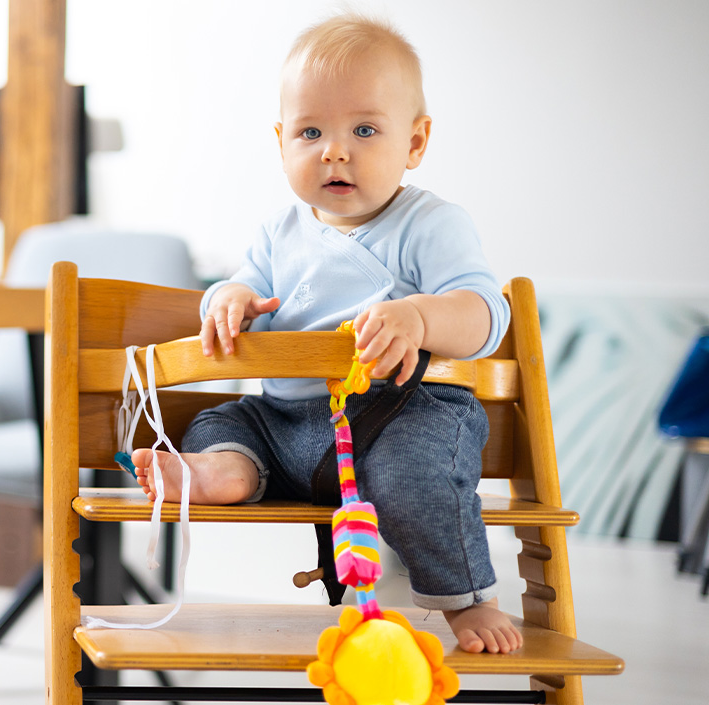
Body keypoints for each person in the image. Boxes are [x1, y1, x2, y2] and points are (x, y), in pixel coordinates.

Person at [129, 12, 522, 655]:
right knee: (219, 419)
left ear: (415, 143)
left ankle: (468, 599)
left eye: (364, 129)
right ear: (281, 141)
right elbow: (242, 282)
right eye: (311, 131)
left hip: (401, 412)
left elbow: (485, 313)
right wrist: (229, 299)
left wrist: (422, 316)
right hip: (287, 420)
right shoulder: (276, 232)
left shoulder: (431, 223)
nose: (334, 151)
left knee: (409, 476)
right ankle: (225, 471)